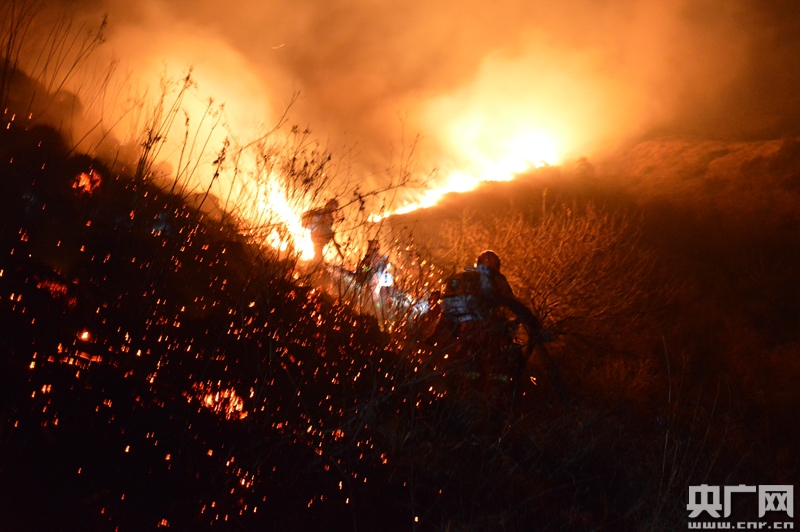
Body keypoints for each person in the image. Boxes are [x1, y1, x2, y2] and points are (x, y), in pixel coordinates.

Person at [301, 199, 341, 264]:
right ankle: (315, 264)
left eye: (334, 207)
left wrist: (329, 233)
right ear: (328, 205)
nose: (333, 208)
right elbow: (316, 222)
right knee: (318, 250)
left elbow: (328, 227)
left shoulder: (330, 217)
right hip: (317, 234)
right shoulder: (321, 212)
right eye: (332, 206)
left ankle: (317, 264)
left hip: (322, 236)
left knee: (319, 250)